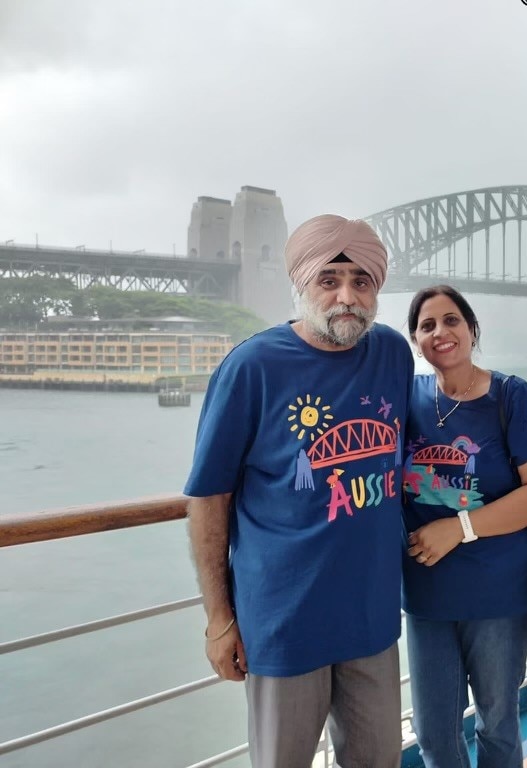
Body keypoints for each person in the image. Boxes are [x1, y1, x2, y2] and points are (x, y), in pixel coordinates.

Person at [184, 214, 412, 768]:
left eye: (362, 281)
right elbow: (208, 497)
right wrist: (219, 618)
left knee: (380, 759)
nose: (346, 297)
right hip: (285, 621)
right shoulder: (253, 365)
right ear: (302, 285)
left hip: (372, 616)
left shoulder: (393, 354)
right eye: (329, 281)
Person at [402, 285, 527, 768]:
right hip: (426, 596)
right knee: (433, 735)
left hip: (498, 594)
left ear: (472, 329)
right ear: (415, 340)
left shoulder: (511, 396)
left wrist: (459, 527)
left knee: (496, 725)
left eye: (451, 320)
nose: (440, 332)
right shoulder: (407, 398)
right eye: (427, 325)